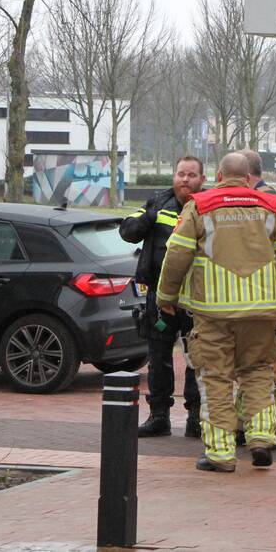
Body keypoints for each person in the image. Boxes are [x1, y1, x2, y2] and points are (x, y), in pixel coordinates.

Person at [156, 153, 276, 472]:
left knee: (215, 379)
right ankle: (261, 437)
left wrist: (166, 296)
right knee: (258, 372)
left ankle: (220, 454)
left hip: (213, 313)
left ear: (219, 176)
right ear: (248, 177)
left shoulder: (199, 206)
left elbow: (177, 254)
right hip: (262, 312)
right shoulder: (272, 206)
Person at [119, 156, 205, 439]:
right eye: (181, 174)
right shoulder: (158, 203)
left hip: (195, 297)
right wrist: (149, 217)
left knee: (197, 359)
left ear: (202, 179)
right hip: (158, 296)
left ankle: (196, 418)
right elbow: (127, 232)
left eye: (191, 175)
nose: (185, 180)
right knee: (158, 359)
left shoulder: (207, 206)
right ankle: (159, 416)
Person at [237, 149, 276, 449]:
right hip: (268, 296)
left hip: (258, 297)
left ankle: (269, 426)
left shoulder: (261, 202)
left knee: (264, 367)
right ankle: (271, 423)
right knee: (268, 366)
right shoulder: (272, 199)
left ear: (245, 175)